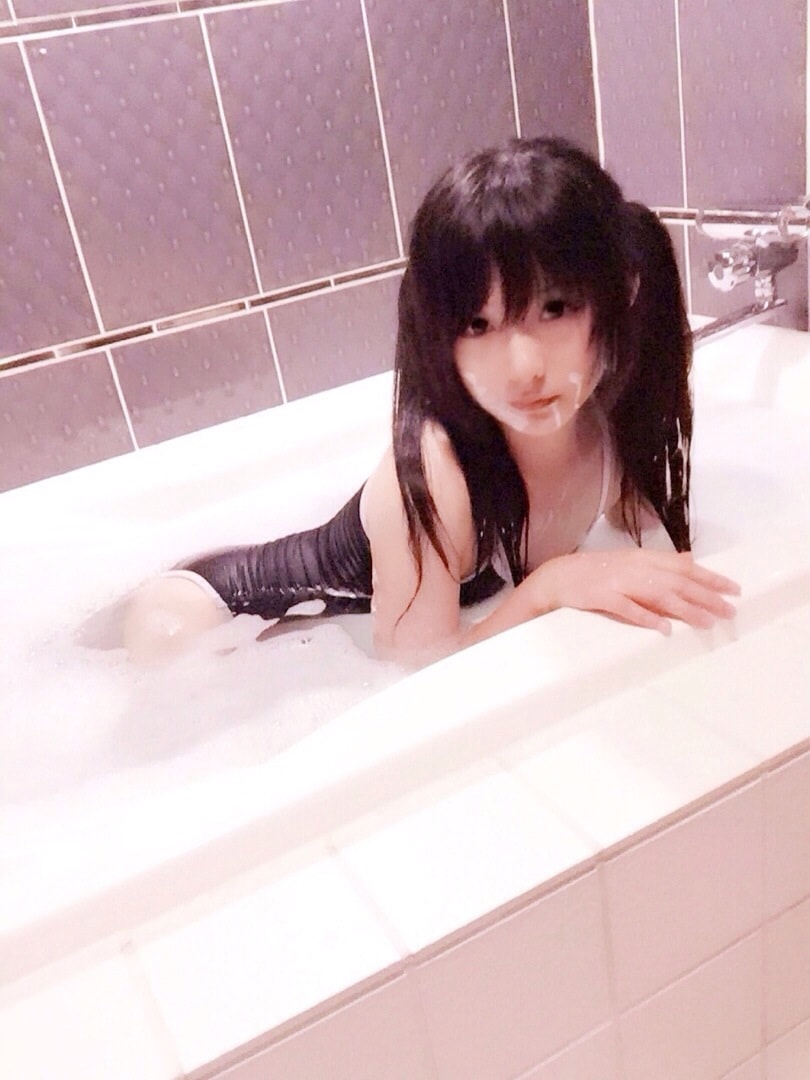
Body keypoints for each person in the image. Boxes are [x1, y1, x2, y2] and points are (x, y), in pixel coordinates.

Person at [124, 136, 739, 665]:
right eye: (478, 324)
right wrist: (550, 587)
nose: (523, 368)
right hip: (197, 618)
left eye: (555, 309)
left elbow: (651, 559)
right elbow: (417, 677)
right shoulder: (435, 471)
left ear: (622, 291)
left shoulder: (611, 427)